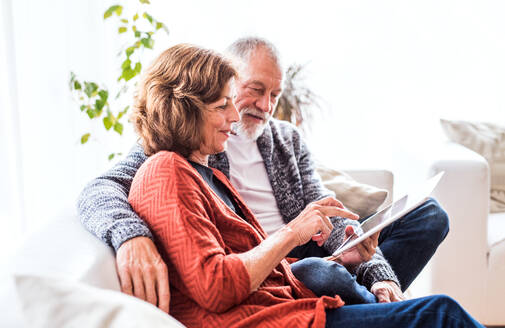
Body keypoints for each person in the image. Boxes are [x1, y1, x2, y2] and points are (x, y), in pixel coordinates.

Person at [77, 37, 449, 312]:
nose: (265, 105)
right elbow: (100, 189)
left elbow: (323, 211)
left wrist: (374, 268)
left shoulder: (286, 139)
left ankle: (370, 299)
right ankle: (363, 305)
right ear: (229, 80)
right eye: (255, 90)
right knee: (327, 277)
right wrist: (130, 236)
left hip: (300, 250)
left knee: (429, 214)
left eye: (275, 94)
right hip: (253, 258)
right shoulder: (182, 143)